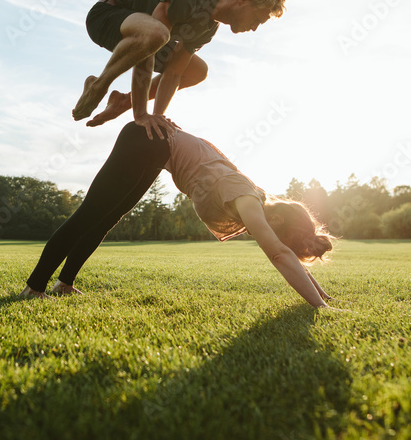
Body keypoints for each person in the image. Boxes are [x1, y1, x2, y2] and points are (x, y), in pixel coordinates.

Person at [20, 122, 336, 308]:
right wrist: (321, 308)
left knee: (106, 218)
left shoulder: (254, 198)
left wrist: (324, 294)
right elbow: (280, 255)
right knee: (91, 213)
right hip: (147, 140)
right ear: (277, 223)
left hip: (157, 149)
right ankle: (34, 287)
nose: (267, 239)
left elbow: (285, 253)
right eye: (278, 236)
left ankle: (64, 283)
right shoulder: (247, 199)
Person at [73, 0, 286, 139]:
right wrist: (140, 115)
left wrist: (157, 117)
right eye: (257, 19)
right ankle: (99, 86)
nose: (255, 27)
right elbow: (150, 45)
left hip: (144, 38)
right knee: (157, 35)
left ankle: (122, 101)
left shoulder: (209, 27)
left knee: (197, 70)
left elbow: (173, 73)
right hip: (107, 16)